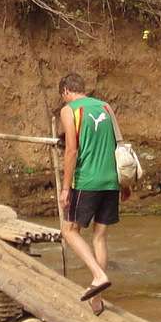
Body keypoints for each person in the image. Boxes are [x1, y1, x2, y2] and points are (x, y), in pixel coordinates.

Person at [57, 72, 120, 306]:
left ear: (66, 92)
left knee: (69, 231)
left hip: (87, 181)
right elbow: (117, 144)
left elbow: (71, 150)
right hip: (111, 180)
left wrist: (65, 188)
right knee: (100, 237)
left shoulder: (70, 110)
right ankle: (98, 298)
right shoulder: (106, 107)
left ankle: (98, 275)